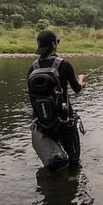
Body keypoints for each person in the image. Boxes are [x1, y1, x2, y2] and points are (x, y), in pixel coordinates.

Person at [28, 30, 87, 168]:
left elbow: (32, 97)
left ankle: (54, 183)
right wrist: (81, 79)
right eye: (57, 42)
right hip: (64, 121)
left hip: (44, 123)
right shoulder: (64, 64)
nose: (57, 44)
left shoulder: (32, 68)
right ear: (53, 45)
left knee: (53, 159)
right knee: (74, 159)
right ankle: (73, 181)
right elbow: (77, 89)